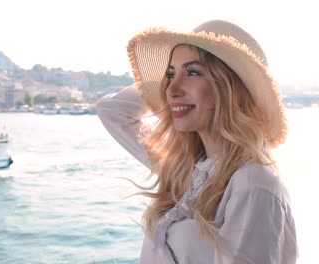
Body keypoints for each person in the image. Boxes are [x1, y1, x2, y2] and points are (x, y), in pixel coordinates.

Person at [96, 20, 298, 263]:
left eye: (192, 72)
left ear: (229, 86)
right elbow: (112, 110)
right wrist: (176, 83)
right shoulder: (184, 170)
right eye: (170, 75)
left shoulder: (253, 184)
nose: (171, 89)